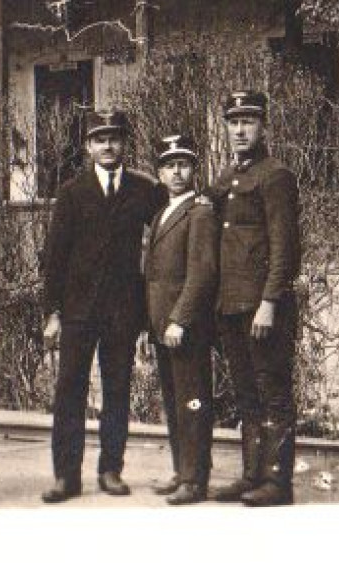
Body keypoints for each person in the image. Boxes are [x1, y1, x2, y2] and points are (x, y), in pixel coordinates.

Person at [38, 109, 165, 504]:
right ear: (88, 146)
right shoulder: (72, 193)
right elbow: (55, 256)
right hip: (78, 310)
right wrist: (52, 311)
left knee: (117, 390)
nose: (108, 145)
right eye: (100, 138)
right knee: (69, 391)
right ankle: (66, 476)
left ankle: (111, 469)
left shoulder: (145, 191)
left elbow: (170, 227)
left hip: (123, 310)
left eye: (115, 138)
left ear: (125, 143)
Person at [211, 90, 302, 507]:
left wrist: (269, 301)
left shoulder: (275, 175)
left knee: (273, 392)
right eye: (233, 121)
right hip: (231, 306)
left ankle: (278, 481)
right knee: (245, 393)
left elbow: (285, 248)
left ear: (263, 125)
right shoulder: (227, 179)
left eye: (248, 120)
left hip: (264, 308)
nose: (241, 129)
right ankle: (251, 475)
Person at [143, 132, 219, 506]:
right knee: (175, 401)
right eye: (169, 166)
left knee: (192, 401)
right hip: (162, 325)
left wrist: (180, 320)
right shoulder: (162, 214)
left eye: (183, 165)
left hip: (185, 326)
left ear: (193, 169)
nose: (177, 172)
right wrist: (152, 324)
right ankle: (181, 470)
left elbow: (201, 272)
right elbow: (154, 275)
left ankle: (195, 478)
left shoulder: (200, 212)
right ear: (159, 173)